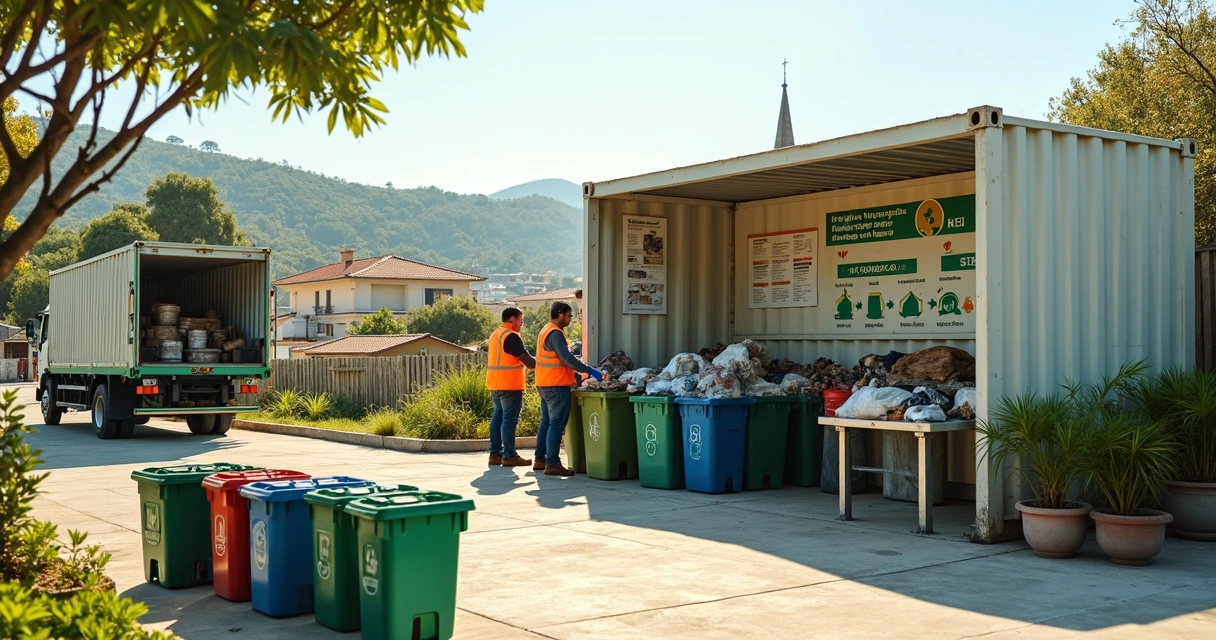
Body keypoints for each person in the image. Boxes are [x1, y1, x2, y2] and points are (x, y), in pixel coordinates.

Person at [534, 301, 602, 476]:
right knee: (556, 424)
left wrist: (576, 376)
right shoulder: (555, 333)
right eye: (569, 315)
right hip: (556, 386)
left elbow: (557, 361)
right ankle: (552, 463)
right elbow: (567, 359)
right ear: (560, 314)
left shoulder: (545, 330)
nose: (571, 319)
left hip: (544, 383)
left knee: (547, 423)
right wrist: (589, 369)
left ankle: (540, 459)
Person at [486, 307, 536, 467]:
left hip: (495, 383)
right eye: (521, 320)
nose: (522, 324)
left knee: (498, 417)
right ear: (512, 319)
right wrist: (547, 362)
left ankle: (495, 454)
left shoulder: (496, 334)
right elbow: (529, 362)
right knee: (509, 419)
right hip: (510, 385)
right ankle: (509, 455)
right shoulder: (511, 336)